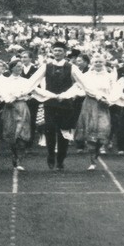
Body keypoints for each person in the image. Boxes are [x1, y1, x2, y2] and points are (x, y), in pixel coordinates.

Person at [24, 42, 79, 170]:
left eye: (60, 51)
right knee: (49, 130)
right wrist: (27, 92)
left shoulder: (71, 67)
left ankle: (61, 159)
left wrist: (66, 94)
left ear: (65, 52)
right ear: (52, 52)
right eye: (55, 51)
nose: (58, 53)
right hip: (50, 103)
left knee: (64, 133)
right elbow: (32, 82)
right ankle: (50, 155)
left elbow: (81, 83)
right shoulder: (46, 67)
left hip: (66, 104)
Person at [72, 53, 118, 171]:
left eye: (100, 62)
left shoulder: (109, 76)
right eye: (96, 62)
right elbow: (83, 88)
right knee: (91, 131)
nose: (98, 64)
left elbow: (114, 90)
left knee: (103, 129)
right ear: (92, 63)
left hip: (104, 106)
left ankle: (97, 150)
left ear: (104, 63)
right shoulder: (86, 75)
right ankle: (92, 160)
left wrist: (109, 100)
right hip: (90, 104)